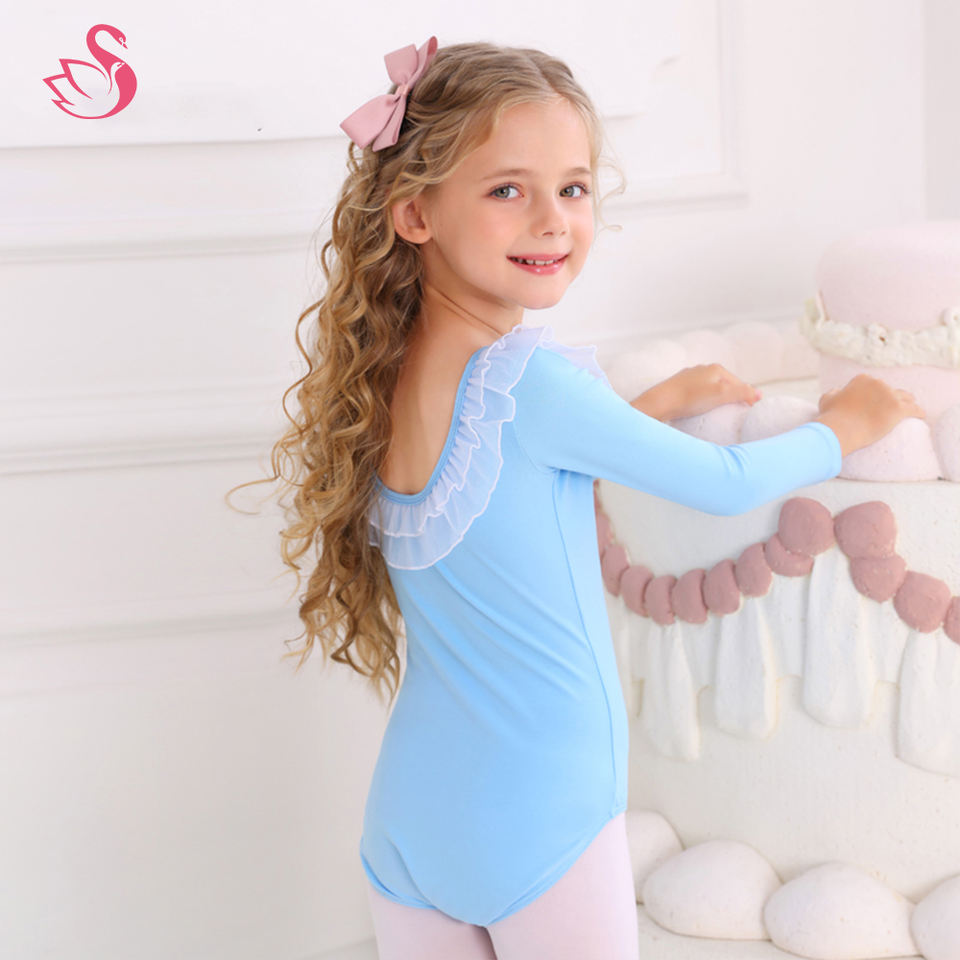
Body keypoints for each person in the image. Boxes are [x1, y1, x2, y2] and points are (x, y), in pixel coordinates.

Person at [233, 36, 925, 960]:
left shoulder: (378, 379)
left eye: (573, 187)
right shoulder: (531, 383)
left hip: (410, 820)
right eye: (506, 190)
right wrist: (843, 423)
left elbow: (513, 497)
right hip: (543, 817)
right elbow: (726, 483)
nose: (552, 221)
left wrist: (654, 405)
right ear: (415, 212)